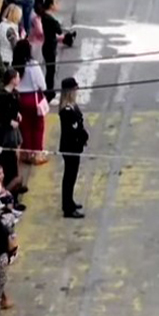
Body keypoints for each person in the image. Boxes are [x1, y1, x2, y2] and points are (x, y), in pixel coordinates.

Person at [58, 78, 88, 219]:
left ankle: (70, 201)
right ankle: (67, 208)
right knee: (69, 177)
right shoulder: (66, 110)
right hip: (70, 147)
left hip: (75, 146)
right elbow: (72, 129)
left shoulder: (72, 106)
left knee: (72, 176)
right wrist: (80, 136)